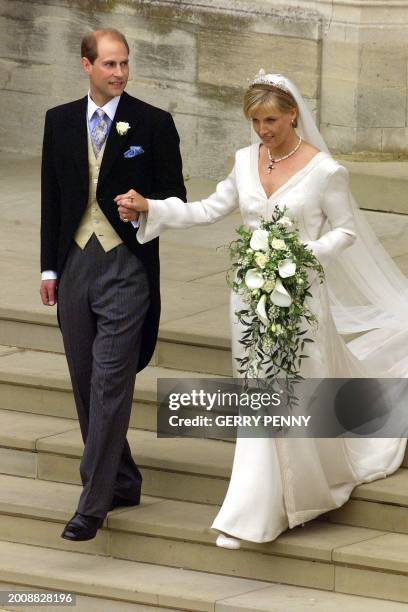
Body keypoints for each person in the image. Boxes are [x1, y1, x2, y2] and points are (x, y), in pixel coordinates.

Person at [115, 71, 407, 549]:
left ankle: (283, 501)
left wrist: (300, 257)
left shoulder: (326, 171)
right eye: (254, 121)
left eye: (270, 119)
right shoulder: (245, 162)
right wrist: (153, 207)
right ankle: (264, 502)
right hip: (249, 299)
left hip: (302, 299)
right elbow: (210, 209)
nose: (263, 130)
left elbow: (346, 232)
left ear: (293, 113)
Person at [40, 28, 186, 541]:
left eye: (124, 64)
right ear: (86, 65)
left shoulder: (154, 122)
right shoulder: (58, 122)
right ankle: (121, 477)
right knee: (85, 383)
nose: (119, 73)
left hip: (128, 267)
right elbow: (52, 199)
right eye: (109, 64)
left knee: (108, 385)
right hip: (75, 264)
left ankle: (93, 503)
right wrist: (48, 270)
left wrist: (146, 207)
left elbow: (176, 197)